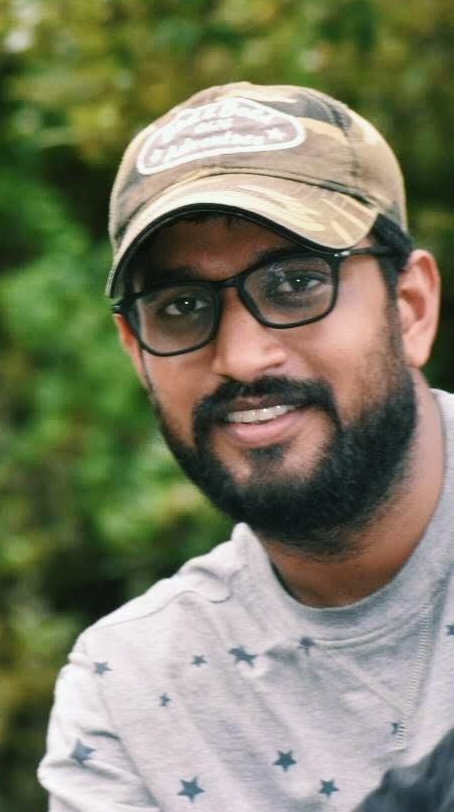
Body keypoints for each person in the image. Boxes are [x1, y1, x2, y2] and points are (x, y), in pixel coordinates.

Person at [38, 81, 452, 810]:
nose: (242, 358)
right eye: (181, 307)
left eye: (295, 284)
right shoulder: (130, 692)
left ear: (410, 308)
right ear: (137, 352)